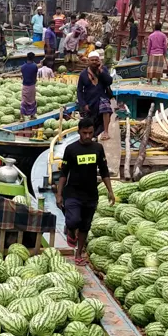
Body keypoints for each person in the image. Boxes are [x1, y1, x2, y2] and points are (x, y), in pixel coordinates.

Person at [56, 117, 115, 264]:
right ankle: (70, 230)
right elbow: (64, 173)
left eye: (90, 132)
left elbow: (104, 171)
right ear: (79, 132)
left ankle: (78, 254)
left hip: (90, 195)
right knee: (74, 220)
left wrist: (110, 191)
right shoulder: (71, 150)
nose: (88, 136)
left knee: (85, 226)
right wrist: (59, 194)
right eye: (84, 133)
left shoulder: (98, 148)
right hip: (73, 193)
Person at [78, 51, 115, 139]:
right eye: (92, 60)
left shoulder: (103, 70)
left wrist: (101, 71)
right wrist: (83, 104)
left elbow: (109, 81)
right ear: (88, 61)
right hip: (90, 100)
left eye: (96, 60)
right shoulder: (83, 74)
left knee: (105, 107)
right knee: (92, 123)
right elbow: (79, 90)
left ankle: (106, 132)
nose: (94, 62)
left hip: (102, 97)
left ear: (99, 61)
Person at [19, 52, 39, 117]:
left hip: (25, 86)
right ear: (33, 58)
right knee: (32, 101)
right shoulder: (34, 66)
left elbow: (23, 76)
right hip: (32, 86)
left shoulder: (23, 67)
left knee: (24, 101)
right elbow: (35, 76)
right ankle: (32, 116)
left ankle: (21, 116)